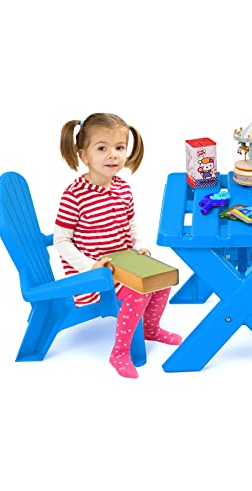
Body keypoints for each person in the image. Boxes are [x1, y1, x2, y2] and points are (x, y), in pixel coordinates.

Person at [54, 113, 181, 378]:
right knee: (139, 292)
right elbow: (61, 240)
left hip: (125, 264)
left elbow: (131, 222)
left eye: (119, 147)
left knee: (161, 280)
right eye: (102, 148)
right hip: (96, 276)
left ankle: (150, 329)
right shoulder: (74, 195)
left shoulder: (123, 188)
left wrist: (139, 246)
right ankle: (119, 352)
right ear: (84, 155)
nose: (113, 155)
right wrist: (91, 266)